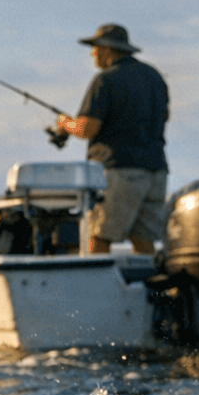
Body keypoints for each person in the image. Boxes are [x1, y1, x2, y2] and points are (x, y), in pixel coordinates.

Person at [53, 23, 169, 254]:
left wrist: (65, 124)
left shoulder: (105, 80)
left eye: (94, 47)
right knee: (142, 240)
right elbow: (165, 117)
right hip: (156, 170)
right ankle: (149, 289)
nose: (91, 53)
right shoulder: (154, 76)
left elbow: (87, 128)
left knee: (99, 236)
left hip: (118, 171)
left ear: (107, 49)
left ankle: (99, 290)